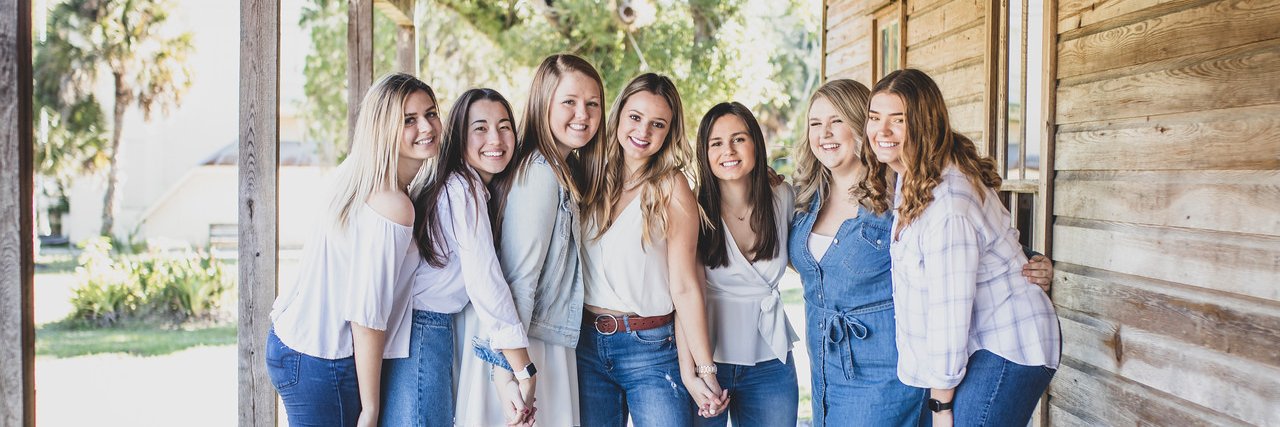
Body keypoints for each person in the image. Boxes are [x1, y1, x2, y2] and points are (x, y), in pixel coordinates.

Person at [790, 78, 1057, 426]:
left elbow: (956, 279)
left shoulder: (922, 193)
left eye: (836, 121)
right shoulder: (897, 179)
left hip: (984, 347)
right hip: (845, 360)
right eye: (815, 123)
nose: (824, 133)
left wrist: (940, 406)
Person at [266, 73, 435, 427]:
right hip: (324, 358)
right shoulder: (392, 204)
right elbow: (366, 314)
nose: (427, 126)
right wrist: (370, 408)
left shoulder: (354, 174)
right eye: (409, 120)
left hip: (291, 343)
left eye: (431, 113)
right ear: (383, 127)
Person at [458, 54, 608, 427]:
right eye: (569, 102)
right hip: (525, 345)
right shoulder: (539, 173)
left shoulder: (563, 168)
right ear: (544, 104)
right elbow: (519, 280)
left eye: (592, 104)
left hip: (536, 340)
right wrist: (508, 375)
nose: (583, 114)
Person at [575, 73, 726, 426]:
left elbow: (686, 286)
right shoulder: (587, 174)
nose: (643, 131)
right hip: (584, 345)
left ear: (669, 132)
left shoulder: (671, 187)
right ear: (618, 115)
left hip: (650, 349)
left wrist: (702, 369)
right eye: (635, 117)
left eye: (657, 124)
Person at [381, 88, 536, 426]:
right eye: (480, 128)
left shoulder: (463, 186)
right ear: (458, 137)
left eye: (504, 125)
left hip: (425, 329)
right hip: (422, 330)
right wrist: (523, 367)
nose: (494, 137)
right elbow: (485, 281)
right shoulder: (461, 189)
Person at [691, 102, 800, 426]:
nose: (729, 150)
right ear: (705, 153)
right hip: (709, 360)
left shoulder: (782, 197)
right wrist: (699, 368)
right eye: (716, 143)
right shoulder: (693, 207)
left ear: (755, 142)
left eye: (739, 139)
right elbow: (682, 293)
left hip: (771, 360)